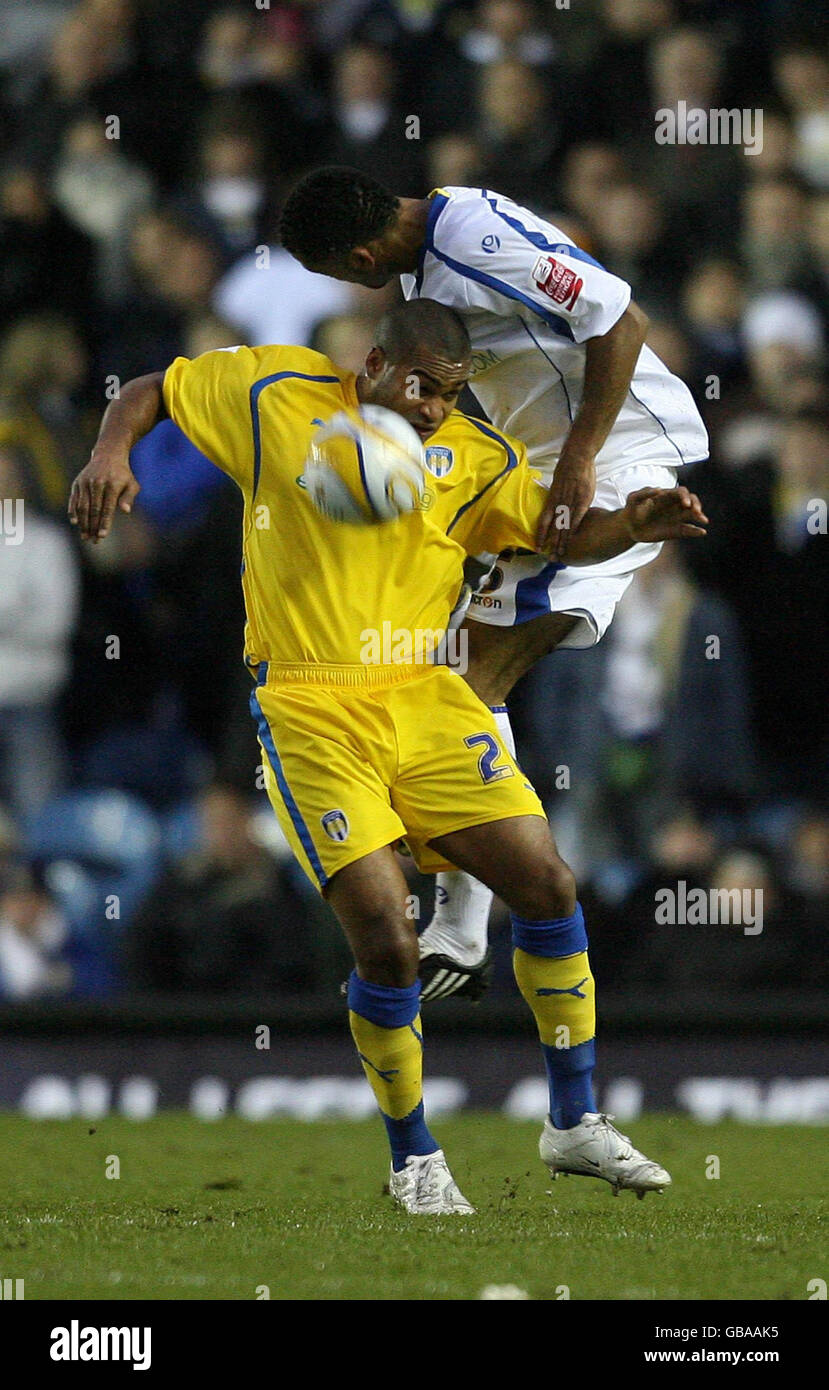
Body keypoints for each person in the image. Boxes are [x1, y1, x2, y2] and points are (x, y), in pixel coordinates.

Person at [69, 299, 705, 1213]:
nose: (438, 409)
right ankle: (414, 1157)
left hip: (424, 694)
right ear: (373, 362)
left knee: (549, 887)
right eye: (424, 388)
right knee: (388, 941)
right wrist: (107, 453)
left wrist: (633, 521)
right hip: (309, 703)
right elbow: (149, 390)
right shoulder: (271, 394)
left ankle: (572, 1121)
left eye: (452, 394)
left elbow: (556, 532)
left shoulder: (473, 457)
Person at [279, 165, 710, 999]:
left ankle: (463, 921)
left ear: (359, 253)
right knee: (449, 669)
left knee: (468, 675)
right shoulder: (425, 265)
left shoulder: (474, 236)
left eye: (337, 271)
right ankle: (463, 909)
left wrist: (579, 460)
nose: (348, 284)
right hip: (542, 470)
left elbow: (620, 319)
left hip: (619, 457)